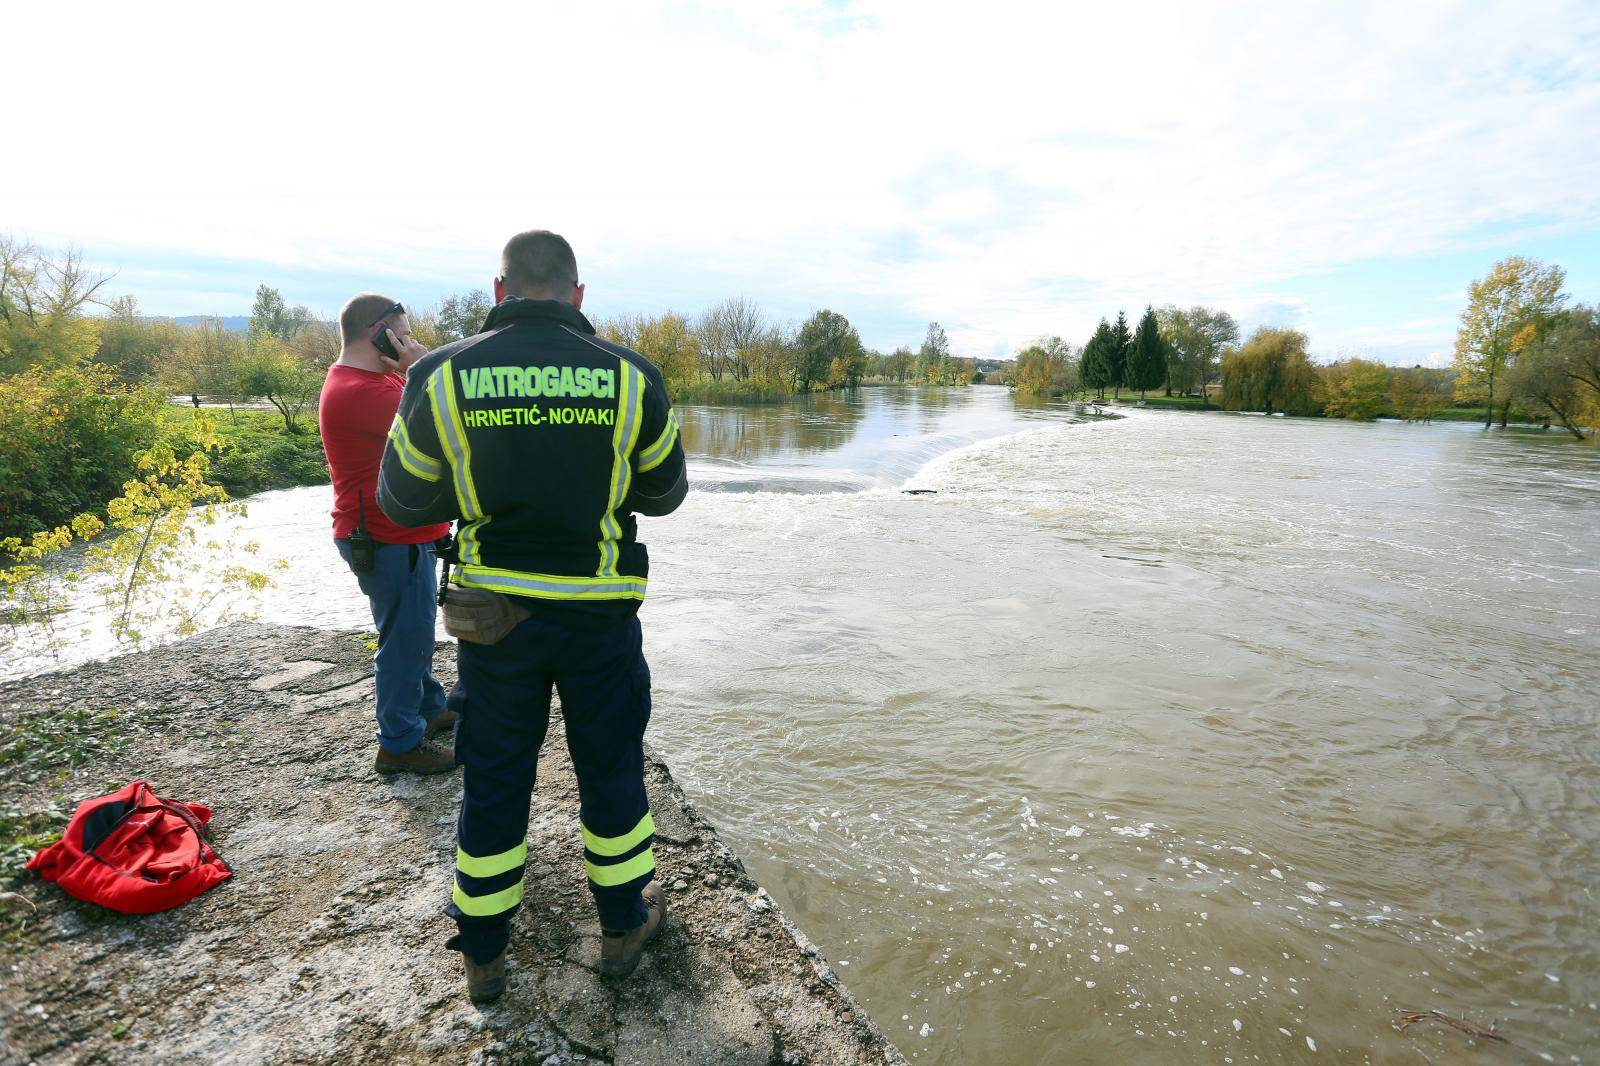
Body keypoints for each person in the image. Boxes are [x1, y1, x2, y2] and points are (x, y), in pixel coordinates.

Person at [377, 230, 688, 1002]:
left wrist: (476, 487)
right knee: (610, 768)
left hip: (495, 622)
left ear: (499, 290)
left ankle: (483, 952)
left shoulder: (438, 375)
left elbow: (401, 499)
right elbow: (664, 493)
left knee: (494, 775)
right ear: (578, 295)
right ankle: (622, 925)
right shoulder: (632, 377)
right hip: (599, 616)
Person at [319, 294, 461, 775]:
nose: (411, 341)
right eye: (404, 332)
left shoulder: (371, 382)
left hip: (396, 533)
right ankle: (399, 742)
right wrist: (423, 368)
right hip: (387, 537)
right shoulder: (363, 392)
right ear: (379, 332)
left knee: (411, 630)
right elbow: (444, 425)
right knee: (406, 640)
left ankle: (427, 707)